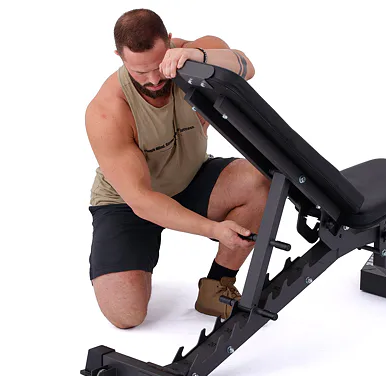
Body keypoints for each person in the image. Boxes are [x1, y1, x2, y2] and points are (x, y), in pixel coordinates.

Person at [85, 8, 270, 329]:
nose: (154, 80)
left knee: (259, 182)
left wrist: (198, 56)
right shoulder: (107, 111)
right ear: (119, 57)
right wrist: (214, 230)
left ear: (169, 41)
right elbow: (142, 201)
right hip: (129, 202)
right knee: (126, 315)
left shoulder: (193, 55)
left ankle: (217, 285)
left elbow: (245, 66)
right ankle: (133, 265)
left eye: (158, 66)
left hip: (191, 177)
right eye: (140, 72)